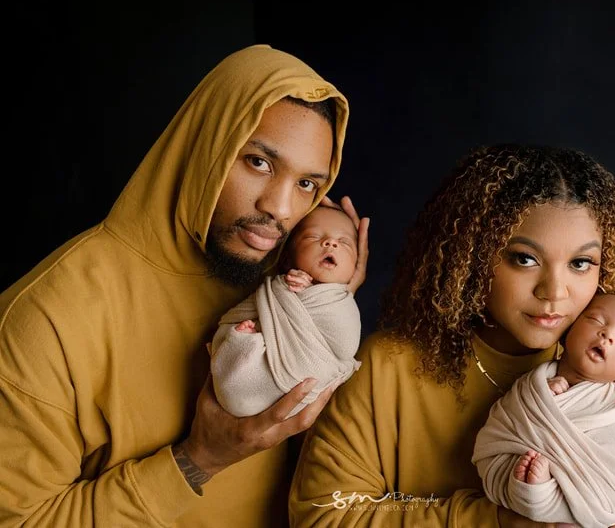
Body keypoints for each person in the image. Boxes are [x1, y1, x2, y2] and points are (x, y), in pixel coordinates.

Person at [0, 44, 369, 527]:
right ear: (205, 147)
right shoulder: (47, 317)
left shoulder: (280, 281)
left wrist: (328, 302)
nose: (280, 208)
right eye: (259, 162)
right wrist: (199, 459)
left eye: (306, 185)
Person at [288, 144, 615, 527]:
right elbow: (325, 514)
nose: (555, 292)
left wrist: (612, 425)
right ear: (469, 256)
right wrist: (497, 522)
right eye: (524, 259)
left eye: (581, 264)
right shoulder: (386, 366)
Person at [472, 291, 615, 528]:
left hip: (588, 487)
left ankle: (543, 497)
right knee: (526, 479)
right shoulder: (535, 382)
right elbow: (507, 417)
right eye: (597, 321)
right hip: (516, 472)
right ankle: (535, 494)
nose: (608, 335)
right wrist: (542, 393)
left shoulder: (613, 406)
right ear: (569, 330)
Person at [209, 205, 362, 419]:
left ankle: (245, 344)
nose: (331, 243)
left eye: (344, 243)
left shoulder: (341, 303)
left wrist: (311, 295)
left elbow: (344, 344)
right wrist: (289, 290)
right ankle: (243, 344)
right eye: (313, 237)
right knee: (243, 331)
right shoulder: (279, 287)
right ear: (287, 258)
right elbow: (255, 309)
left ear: (356, 266)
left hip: (296, 377)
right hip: (248, 372)